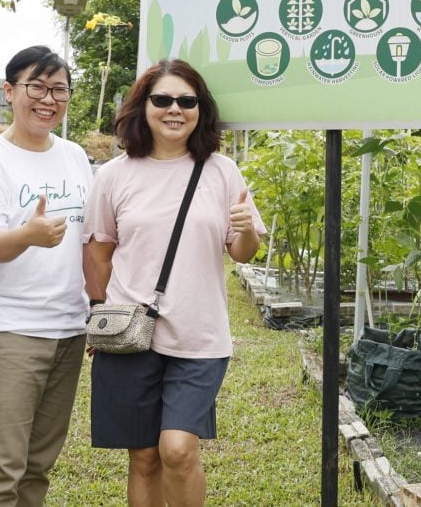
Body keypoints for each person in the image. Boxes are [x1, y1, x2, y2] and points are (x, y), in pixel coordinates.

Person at [83, 58, 265, 507]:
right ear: (142, 106)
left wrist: (243, 229)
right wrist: (101, 315)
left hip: (199, 335)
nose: (174, 109)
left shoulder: (222, 171)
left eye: (187, 101)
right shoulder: (114, 175)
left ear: (200, 109)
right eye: (162, 99)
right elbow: (97, 251)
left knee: (178, 450)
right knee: (144, 457)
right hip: (132, 334)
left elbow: (243, 252)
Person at [0, 46, 93, 506]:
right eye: (37, 86)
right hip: (7, 332)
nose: (48, 99)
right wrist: (28, 235)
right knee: (0, 469)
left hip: (69, 329)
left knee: (38, 467)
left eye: (59, 89)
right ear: (9, 90)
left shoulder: (76, 157)